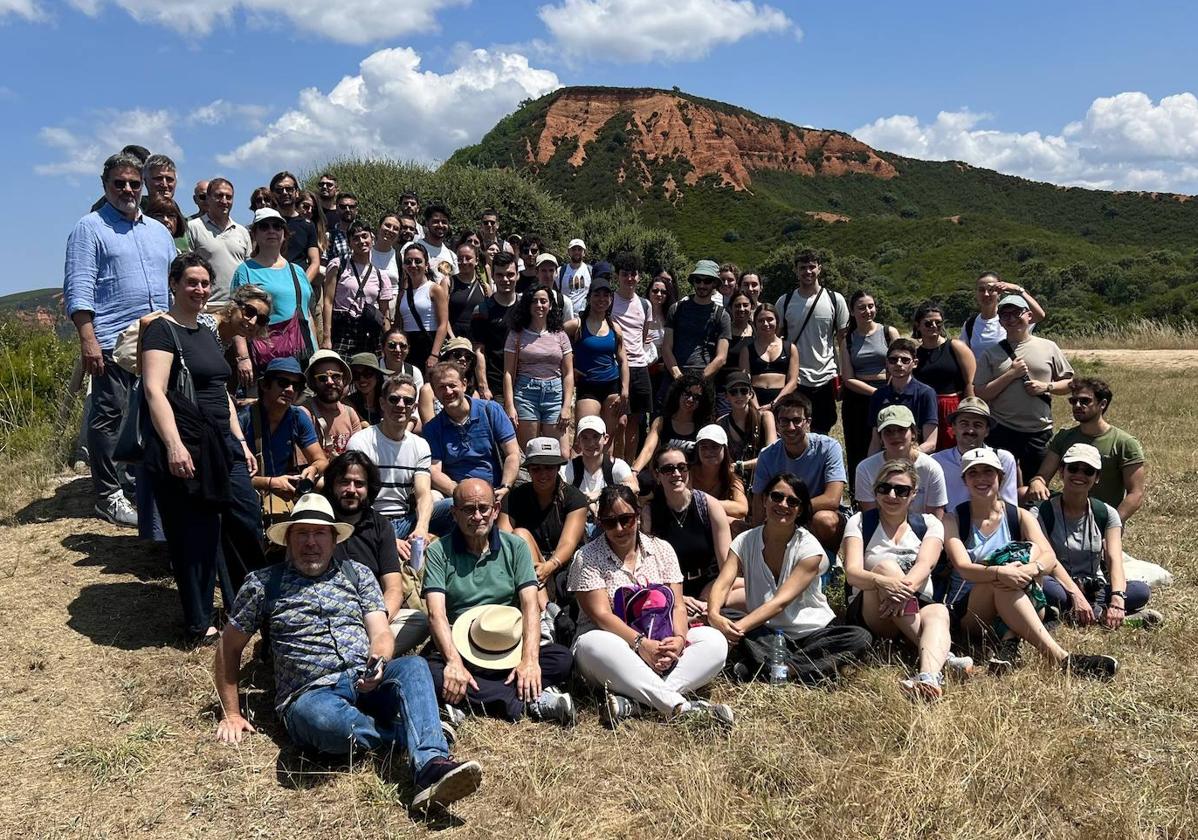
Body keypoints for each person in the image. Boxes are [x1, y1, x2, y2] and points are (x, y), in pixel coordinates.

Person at [213, 494, 482, 813]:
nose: (310, 542)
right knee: (327, 723)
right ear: (287, 538)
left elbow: (381, 631)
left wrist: (379, 661)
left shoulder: (357, 574)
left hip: (365, 678)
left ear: (333, 538)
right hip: (310, 695)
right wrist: (231, 713)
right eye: (301, 534)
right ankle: (402, 734)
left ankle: (431, 765)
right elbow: (228, 649)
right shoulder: (263, 584)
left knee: (413, 666)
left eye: (319, 533)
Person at [140, 253, 263, 644]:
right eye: (191, 282)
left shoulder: (206, 332)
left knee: (243, 518)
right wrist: (174, 445)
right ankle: (199, 622)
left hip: (222, 442)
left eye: (205, 283)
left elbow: (221, 392)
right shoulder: (164, 330)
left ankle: (244, 603)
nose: (199, 289)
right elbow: (154, 390)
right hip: (189, 442)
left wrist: (240, 441)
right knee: (195, 533)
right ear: (174, 284)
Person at [65, 151, 174, 526]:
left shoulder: (158, 231)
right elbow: (79, 287)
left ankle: (142, 487)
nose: (127, 189)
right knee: (111, 415)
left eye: (134, 183)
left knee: (150, 416)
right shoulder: (89, 228)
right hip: (113, 338)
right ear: (105, 185)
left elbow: (172, 284)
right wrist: (88, 340)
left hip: (159, 336)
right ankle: (108, 495)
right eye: (119, 183)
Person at [943, 448, 1118, 680]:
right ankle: (1060, 658)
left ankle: (1010, 642)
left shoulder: (1020, 516)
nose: (981, 479)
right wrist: (1000, 572)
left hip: (1019, 593)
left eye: (988, 472)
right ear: (964, 480)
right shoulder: (953, 519)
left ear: (1000, 478)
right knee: (1003, 578)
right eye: (973, 473)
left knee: (1031, 552)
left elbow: (1048, 557)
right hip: (973, 609)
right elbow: (964, 567)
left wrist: (1030, 568)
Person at [568, 485, 733, 729]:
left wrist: (678, 639)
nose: (620, 529)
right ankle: (681, 707)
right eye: (610, 522)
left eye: (626, 519)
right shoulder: (587, 557)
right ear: (600, 523)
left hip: (662, 640)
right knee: (593, 643)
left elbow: (678, 605)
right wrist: (641, 644)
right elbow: (601, 616)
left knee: (714, 641)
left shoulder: (662, 549)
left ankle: (636, 703)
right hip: (614, 647)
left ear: (637, 515)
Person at [423, 478, 576, 725]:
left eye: (483, 508)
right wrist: (453, 661)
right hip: (459, 645)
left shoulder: (515, 547)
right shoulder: (439, 551)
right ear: (454, 513)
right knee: (428, 672)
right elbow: (435, 614)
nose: (477, 516)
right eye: (468, 510)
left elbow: (530, 606)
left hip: (508, 645)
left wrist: (529, 660)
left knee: (562, 660)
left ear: (495, 510)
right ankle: (525, 700)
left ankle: (468, 698)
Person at [708, 473, 872, 684]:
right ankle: (804, 669)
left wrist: (738, 629)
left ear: (800, 509)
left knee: (860, 637)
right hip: (768, 632)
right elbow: (723, 583)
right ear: (764, 499)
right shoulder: (744, 541)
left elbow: (780, 602)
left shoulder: (809, 548)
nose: (783, 504)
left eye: (792, 501)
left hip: (813, 632)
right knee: (726, 614)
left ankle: (781, 668)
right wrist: (713, 614)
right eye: (776, 497)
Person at [842, 461, 960, 700]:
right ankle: (942, 655)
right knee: (886, 567)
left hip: (917, 604)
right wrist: (883, 582)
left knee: (938, 611)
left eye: (901, 490)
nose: (892, 495)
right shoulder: (860, 522)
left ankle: (928, 676)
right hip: (875, 610)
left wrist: (899, 590)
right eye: (884, 488)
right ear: (875, 491)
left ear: (914, 494)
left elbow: (925, 565)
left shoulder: (929, 524)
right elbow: (852, 572)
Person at [1033, 444, 1158, 629]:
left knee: (1141, 591)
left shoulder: (1106, 513)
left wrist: (1117, 598)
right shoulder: (1040, 513)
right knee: (1048, 589)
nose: (1080, 475)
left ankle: (1081, 614)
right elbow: (1049, 559)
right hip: (1060, 584)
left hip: (1095, 588)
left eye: (1088, 471)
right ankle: (1104, 616)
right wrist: (1076, 594)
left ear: (1097, 477)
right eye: (1073, 468)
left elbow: (1114, 558)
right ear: (1061, 471)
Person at [324, 451, 429, 655]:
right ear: (332, 485)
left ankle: (356, 654)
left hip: (370, 618)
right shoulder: (318, 521)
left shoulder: (380, 526)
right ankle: (368, 655)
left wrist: (375, 623)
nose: (351, 490)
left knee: (417, 621)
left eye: (359, 484)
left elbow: (393, 590)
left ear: (369, 488)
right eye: (344, 482)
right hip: (327, 614)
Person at [974, 293, 1074, 482]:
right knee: (999, 483)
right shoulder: (991, 353)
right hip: (1001, 429)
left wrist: (1046, 386)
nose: (1011, 319)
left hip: (1039, 430)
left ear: (1029, 315)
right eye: (1005, 315)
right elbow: (981, 393)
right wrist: (1011, 374)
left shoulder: (1049, 347)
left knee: (1036, 484)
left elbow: (1070, 383)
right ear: (1000, 321)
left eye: (1016, 313)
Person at [1028, 377, 1146, 520]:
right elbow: (1042, 476)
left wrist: (1112, 524)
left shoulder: (1124, 443)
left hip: (1101, 518)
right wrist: (1037, 482)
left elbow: (1136, 494)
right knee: (1022, 493)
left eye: (1085, 401)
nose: (1077, 405)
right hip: (1066, 516)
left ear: (1102, 404)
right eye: (1073, 401)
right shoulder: (1064, 437)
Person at [423, 363, 521, 535]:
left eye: (452, 385)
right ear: (434, 392)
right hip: (456, 496)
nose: (448, 392)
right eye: (441, 387)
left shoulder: (490, 410)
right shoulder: (432, 428)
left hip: (496, 489)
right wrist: (458, 491)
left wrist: (505, 486)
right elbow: (434, 470)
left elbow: (513, 454)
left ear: (464, 384)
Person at [640, 447, 736, 615]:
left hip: (710, 585)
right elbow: (649, 570)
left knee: (754, 595)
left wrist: (710, 600)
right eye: (668, 469)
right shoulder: (650, 513)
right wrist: (679, 598)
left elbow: (727, 566)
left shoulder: (708, 505)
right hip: (670, 591)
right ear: (657, 475)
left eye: (682, 467)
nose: (676, 473)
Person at [750, 393, 847, 553]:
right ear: (777, 424)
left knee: (825, 520)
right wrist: (757, 539)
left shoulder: (829, 447)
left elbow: (832, 499)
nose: (790, 427)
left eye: (796, 420)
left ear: (807, 422)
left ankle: (830, 564)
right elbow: (758, 501)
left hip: (815, 513)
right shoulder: (767, 455)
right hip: (783, 513)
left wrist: (790, 508)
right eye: (784, 421)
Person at [498, 438, 588, 605]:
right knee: (519, 535)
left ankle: (543, 610)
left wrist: (550, 565)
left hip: (565, 565)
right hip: (525, 564)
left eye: (549, 468)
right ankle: (546, 609)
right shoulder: (515, 498)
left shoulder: (574, 498)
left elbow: (569, 542)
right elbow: (504, 536)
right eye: (536, 469)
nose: (543, 474)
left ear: (558, 468)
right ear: (529, 470)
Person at [230, 208, 318, 379]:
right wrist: (243, 357)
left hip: (304, 357)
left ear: (284, 233)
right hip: (268, 358)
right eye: (264, 226)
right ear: (254, 233)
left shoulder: (298, 271)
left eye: (277, 226)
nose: (271, 230)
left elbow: (307, 315)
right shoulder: (245, 270)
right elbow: (237, 318)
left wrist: (317, 353)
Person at [347, 374, 433, 545]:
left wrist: (422, 528)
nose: (401, 405)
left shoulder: (420, 445)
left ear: (414, 407)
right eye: (394, 399)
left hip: (406, 519)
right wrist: (389, 539)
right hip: (370, 521)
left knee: (455, 507)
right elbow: (355, 498)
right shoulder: (361, 442)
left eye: (408, 401)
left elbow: (423, 493)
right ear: (382, 403)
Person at [775, 249, 848, 435]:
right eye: (802, 268)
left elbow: (842, 339)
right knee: (796, 426)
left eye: (811, 267)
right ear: (796, 271)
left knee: (825, 424)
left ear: (819, 269)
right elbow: (777, 338)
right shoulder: (784, 302)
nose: (808, 272)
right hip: (796, 377)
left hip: (826, 375)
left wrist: (845, 374)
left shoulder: (835, 299)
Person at [240, 358, 328, 503]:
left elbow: (321, 460)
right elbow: (227, 475)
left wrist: (313, 470)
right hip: (244, 490)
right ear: (264, 385)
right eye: (283, 383)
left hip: (279, 492)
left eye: (296, 385)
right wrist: (268, 483)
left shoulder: (298, 417)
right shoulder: (244, 419)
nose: (290, 390)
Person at [839, 290, 900, 495]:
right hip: (857, 397)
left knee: (889, 444)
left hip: (890, 392)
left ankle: (893, 488)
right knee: (858, 448)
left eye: (870, 306)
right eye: (861, 307)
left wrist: (887, 391)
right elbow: (847, 378)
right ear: (852, 311)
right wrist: (876, 393)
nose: (867, 311)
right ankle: (861, 495)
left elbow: (899, 363)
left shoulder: (888, 332)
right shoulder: (847, 339)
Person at [503, 287, 574, 448]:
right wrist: (510, 405)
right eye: (534, 301)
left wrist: (566, 406)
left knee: (560, 452)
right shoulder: (516, 334)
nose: (539, 305)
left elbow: (568, 373)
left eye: (543, 301)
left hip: (554, 394)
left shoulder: (560, 335)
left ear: (550, 305)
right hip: (526, 393)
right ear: (528, 304)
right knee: (531, 450)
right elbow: (508, 372)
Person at [566, 278, 628, 447]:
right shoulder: (577, 325)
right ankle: (577, 473)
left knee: (607, 441)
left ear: (610, 299)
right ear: (589, 298)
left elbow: (623, 361)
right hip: (588, 386)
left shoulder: (615, 328)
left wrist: (625, 390)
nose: (601, 299)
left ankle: (606, 473)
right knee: (584, 439)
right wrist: (569, 367)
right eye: (597, 294)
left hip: (611, 387)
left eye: (606, 295)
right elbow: (553, 341)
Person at [855, 406, 948, 517]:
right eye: (888, 431)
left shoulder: (931, 468)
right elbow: (871, 516)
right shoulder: (865, 468)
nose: (895, 436)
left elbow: (935, 519)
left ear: (913, 433)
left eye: (901, 430)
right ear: (880, 438)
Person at [932, 397, 1019, 510]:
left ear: (987, 430)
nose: (970, 430)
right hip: (950, 524)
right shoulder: (937, 462)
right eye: (964, 424)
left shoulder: (1003, 459)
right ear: (953, 428)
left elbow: (1009, 505)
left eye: (977, 425)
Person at [322, 221, 393, 358]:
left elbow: (385, 315)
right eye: (355, 238)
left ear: (372, 238)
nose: (361, 241)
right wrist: (326, 336)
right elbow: (328, 302)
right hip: (343, 329)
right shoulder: (338, 266)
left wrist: (387, 342)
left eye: (364, 236)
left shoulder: (380, 275)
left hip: (369, 333)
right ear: (349, 244)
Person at [912, 302, 976, 451]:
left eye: (938, 322)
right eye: (928, 323)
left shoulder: (956, 346)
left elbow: (970, 382)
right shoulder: (914, 353)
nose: (934, 326)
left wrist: (969, 413)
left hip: (952, 407)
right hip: (925, 409)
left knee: (955, 450)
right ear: (918, 325)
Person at [609, 254, 654, 460]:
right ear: (618, 276)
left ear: (639, 277)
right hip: (616, 366)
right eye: (625, 274)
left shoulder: (645, 305)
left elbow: (643, 336)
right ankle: (614, 465)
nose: (629, 278)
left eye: (633, 274)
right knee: (619, 421)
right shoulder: (609, 301)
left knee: (636, 422)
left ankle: (628, 466)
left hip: (640, 366)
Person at [662, 259, 730, 386]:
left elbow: (721, 357)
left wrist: (698, 380)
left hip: (704, 380)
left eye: (707, 281)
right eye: (698, 280)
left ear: (714, 283)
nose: (702, 285)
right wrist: (678, 377)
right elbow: (666, 348)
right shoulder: (676, 309)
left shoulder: (722, 315)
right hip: (674, 376)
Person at [866, 337, 938, 455]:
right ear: (887, 363)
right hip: (886, 460)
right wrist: (871, 467)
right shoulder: (878, 395)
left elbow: (931, 443)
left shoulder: (926, 393)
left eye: (905, 360)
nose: (898, 364)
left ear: (914, 363)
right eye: (893, 360)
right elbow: (875, 442)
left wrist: (903, 457)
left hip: (916, 458)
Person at [631, 373, 713, 472]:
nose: (690, 399)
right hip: (665, 476)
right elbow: (648, 449)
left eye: (696, 397)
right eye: (687, 393)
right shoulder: (661, 422)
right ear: (678, 394)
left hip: (694, 479)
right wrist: (635, 471)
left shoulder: (704, 428)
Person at [187, 178, 251, 303]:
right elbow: (186, 268)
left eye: (228, 197)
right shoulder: (193, 227)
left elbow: (249, 270)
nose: (224, 201)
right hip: (205, 306)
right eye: (219, 196)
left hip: (237, 306)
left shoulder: (242, 232)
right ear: (208, 198)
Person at [563, 416, 638, 519]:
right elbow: (559, 491)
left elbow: (634, 487)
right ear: (578, 441)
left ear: (605, 439)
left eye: (595, 436)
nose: (591, 443)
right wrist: (586, 501)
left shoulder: (616, 465)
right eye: (585, 438)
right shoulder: (569, 467)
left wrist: (600, 493)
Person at [394, 242, 451, 372]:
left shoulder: (434, 289)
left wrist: (434, 354)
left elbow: (443, 324)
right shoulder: (402, 293)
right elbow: (398, 324)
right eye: (408, 262)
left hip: (428, 344)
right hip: (407, 346)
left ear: (426, 265)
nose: (413, 265)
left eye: (418, 261)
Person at [960, 272, 1045, 358]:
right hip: (981, 371)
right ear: (976, 293)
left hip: (1014, 370)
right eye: (981, 290)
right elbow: (962, 356)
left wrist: (1017, 289)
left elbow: (1040, 315)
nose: (986, 294)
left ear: (999, 293)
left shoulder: (1011, 319)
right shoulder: (970, 324)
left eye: (991, 290)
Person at [471, 252, 519, 402]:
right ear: (493, 276)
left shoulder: (527, 307)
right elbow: (479, 351)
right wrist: (483, 386)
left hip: (524, 384)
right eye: (500, 275)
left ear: (518, 275)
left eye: (510, 274)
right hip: (495, 384)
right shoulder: (482, 310)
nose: (505, 279)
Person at [717, 370, 776, 486]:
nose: (739, 396)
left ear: (750, 394)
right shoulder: (721, 423)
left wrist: (741, 465)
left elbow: (771, 455)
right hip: (734, 481)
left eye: (743, 391)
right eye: (733, 392)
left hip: (763, 478)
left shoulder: (765, 417)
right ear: (726, 396)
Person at [302, 351, 362, 459]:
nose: (330, 382)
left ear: (343, 380)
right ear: (313, 382)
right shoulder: (305, 414)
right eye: (322, 378)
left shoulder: (350, 413)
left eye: (335, 376)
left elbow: (358, 457)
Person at [740, 302, 798, 412]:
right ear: (755, 323)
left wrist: (774, 404)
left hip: (782, 403)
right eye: (761, 320)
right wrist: (756, 407)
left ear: (777, 321)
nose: (766, 324)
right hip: (754, 402)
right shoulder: (747, 350)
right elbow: (745, 382)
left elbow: (793, 382)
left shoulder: (790, 348)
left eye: (770, 319)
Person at [268, 171, 321, 284]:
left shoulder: (308, 225)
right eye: (279, 190)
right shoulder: (266, 223)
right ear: (272, 194)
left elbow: (315, 262)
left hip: (298, 282)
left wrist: (302, 286)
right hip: (270, 282)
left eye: (289, 189)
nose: (284, 193)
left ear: (296, 192)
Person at [689, 424, 749, 521]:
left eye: (714, 446)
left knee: (736, 523)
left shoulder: (731, 478)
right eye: (704, 447)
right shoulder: (688, 474)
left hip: (717, 525)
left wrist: (703, 503)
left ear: (725, 449)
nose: (709, 451)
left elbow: (742, 509)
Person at [417, 337, 482, 426]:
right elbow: (429, 428)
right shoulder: (428, 390)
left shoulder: (474, 394)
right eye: (457, 355)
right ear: (446, 358)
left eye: (468, 357)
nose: (463, 359)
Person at [644, 272, 674, 414]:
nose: (659, 294)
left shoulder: (671, 315)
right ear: (649, 292)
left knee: (660, 408)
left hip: (663, 367)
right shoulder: (641, 312)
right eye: (655, 290)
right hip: (644, 367)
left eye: (663, 292)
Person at [447, 242, 488, 338]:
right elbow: (443, 317)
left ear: (477, 260)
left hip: (476, 340)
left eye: (468, 258)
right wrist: (453, 340)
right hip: (454, 339)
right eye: (460, 259)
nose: (464, 262)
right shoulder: (448, 282)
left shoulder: (485, 287)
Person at [415, 203, 458, 277]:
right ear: (427, 223)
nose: (440, 225)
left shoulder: (452, 256)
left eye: (444, 222)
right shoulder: (414, 247)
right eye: (436, 221)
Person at [346, 352, 388, 426]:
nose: (362, 379)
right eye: (356, 375)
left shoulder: (388, 400)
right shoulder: (348, 403)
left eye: (367, 373)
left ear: (377, 375)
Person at [380, 325, 424, 392]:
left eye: (403, 346)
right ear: (383, 348)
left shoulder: (414, 372)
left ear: (408, 349)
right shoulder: (373, 370)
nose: (398, 350)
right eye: (392, 345)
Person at [325, 192, 360, 266]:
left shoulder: (366, 235)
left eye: (351, 207)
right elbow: (323, 264)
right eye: (343, 207)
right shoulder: (329, 237)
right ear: (337, 210)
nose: (347, 210)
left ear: (356, 210)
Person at [370, 212, 403, 287]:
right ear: (379, 227)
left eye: (396, 229)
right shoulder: (365, 253)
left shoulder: (399, 258)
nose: (391, 230)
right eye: (387, 226)